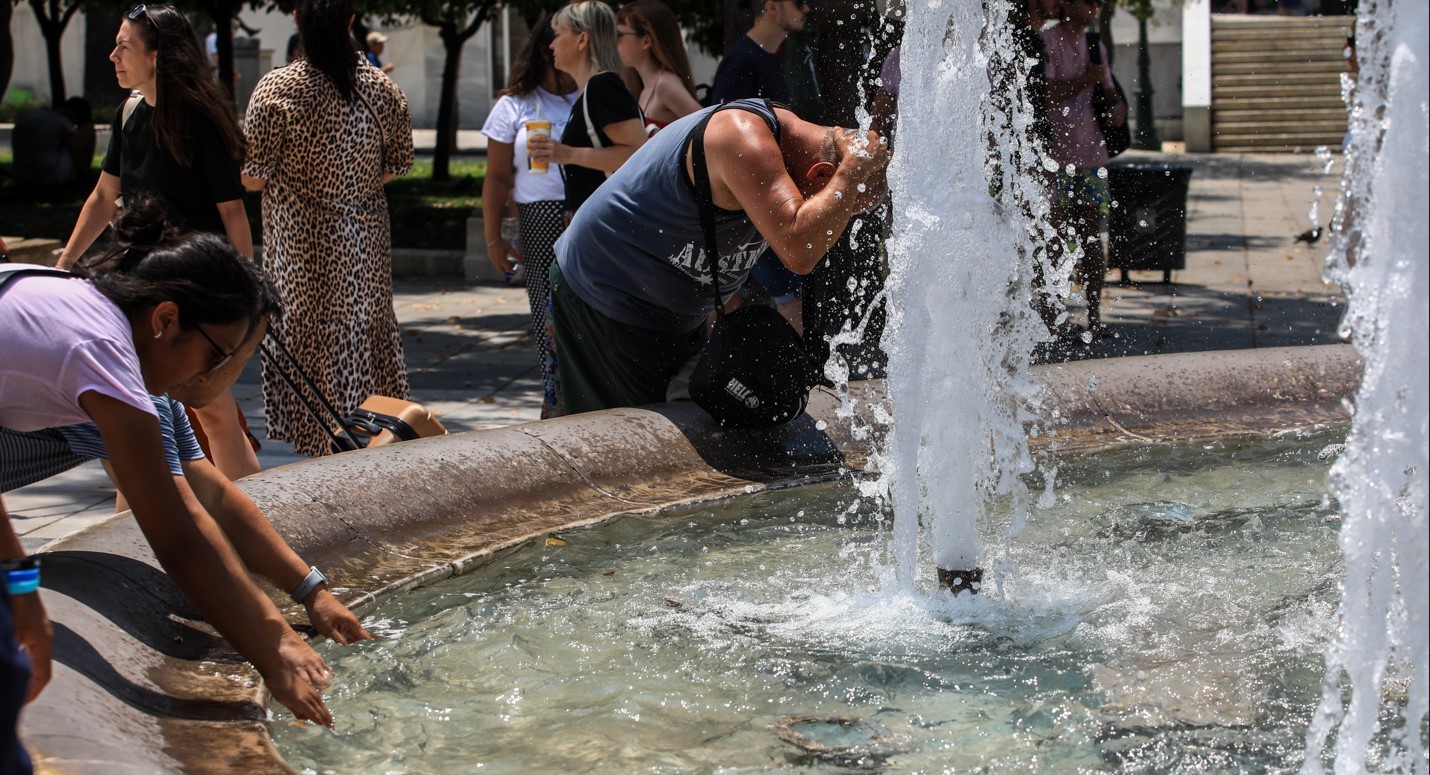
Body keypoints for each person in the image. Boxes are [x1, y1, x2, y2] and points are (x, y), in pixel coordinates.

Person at [1, 201, 336, 729]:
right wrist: (271, 663)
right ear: (165, 319)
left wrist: (299, 599)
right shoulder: (104, 359)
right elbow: (178, 539)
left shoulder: (84, 311)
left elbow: (206, 496)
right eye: (218, 355)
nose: (213, 378)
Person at [549, 99, 890, 414]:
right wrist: (852, 172)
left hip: (671, 312)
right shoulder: (742, 136)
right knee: (627, 447)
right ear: (821, 173)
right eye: (835, 211)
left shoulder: (782, 151)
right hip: (607, 292)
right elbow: (799, 251)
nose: (833, 229)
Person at [57, 3, 260, 484]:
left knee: (209, 410)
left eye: (124, 46)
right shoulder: (129, 112)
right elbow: (104, 196)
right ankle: (137, 527)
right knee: (134, 411)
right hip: (137, 286)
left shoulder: (199, 119)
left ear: (157, 56)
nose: (112, 56)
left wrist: (246, 290)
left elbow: (233, 211)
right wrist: (65, 264)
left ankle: (258, 513)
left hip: (194, 286)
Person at [242, 0, 415, 457]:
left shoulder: (278, 87)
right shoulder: (382, 87)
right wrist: (352, 191)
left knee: (310, 354)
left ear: (298, 21)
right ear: (352, 21)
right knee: (363, 342)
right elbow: (398, 162)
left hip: (301, 249)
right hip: (365, 247)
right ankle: (372, 435)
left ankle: (321, 448)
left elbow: (252, 175)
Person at [481, 13, 578, 419]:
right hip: (538, 217)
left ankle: (585, 394)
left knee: (587, 308)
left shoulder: (591, 95)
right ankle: (555, 398)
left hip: (586, 209)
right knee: (547, 310)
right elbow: (498, 177)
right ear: (544, 51)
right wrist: (494, 238)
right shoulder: (514, 105)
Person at [708, 0, 813, 334]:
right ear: (771, 7)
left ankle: (741, 375)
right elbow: (718, 132)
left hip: (761, 202)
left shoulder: (768, 57)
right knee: (784, 296)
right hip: (751, 205)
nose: (807, 8)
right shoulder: (741, 60)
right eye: (798, 2)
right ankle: (773, 379)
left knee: (770, 294)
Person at [1042, 0, 1125, 339]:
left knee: (1092, 237)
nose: (1093, 7)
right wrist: (1083, 81)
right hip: (1056, 157)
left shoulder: (1095, 45)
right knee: (1056, 238)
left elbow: (1107, 91)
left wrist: (1116, 108)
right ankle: (1054, 317)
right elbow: (1044, 94)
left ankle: (1094, 314)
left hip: (1091, 155)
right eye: (1086, 1)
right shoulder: (1048, 41)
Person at [526, 0, 647, 217]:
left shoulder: (602, 87)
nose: (552, 44)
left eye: (558, 35)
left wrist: (567, 154)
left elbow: (637, 154)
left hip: (613, 226)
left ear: (582, 39)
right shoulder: (591, 90)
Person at [616, 0, 703, 134]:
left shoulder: (665, 84)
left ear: (646, 41)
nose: (614, 41)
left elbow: (708, 126)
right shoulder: (646, 89)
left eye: (619, 35)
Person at [10, 98, 96, 194]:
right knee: (88, 128)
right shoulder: (61, 122)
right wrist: (87, 173)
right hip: (49, 178)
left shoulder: (30, 116)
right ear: (74, 111)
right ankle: (84, 178)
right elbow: (77, 150)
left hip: (20, 177)